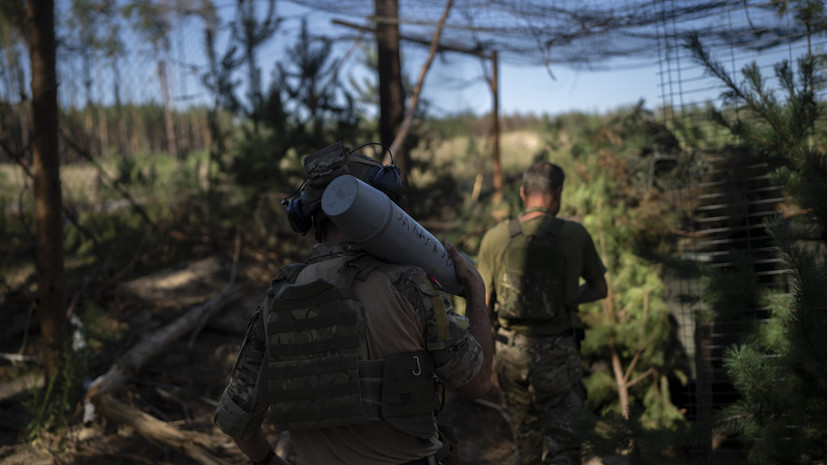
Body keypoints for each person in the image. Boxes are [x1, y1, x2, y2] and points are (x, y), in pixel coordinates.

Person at [214, 141, 493, 465]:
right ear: (381, 207)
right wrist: (476, 293)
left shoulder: (279, 298)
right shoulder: (411, 286)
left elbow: (236, 418)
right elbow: (478, 383)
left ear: (313, 218)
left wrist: (267, 461)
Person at [476, 160, 608, 465]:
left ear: (523, 193)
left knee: (525, 439)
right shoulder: (575, 235)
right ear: (557, 194)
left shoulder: (495, 238)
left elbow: (482, 303)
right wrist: (567, 299)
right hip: (558, 352)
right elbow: (600, 289)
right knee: (564, 443)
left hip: (510, 353)